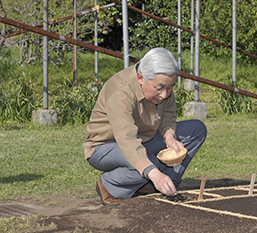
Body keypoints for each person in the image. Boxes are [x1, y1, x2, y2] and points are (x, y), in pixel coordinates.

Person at [83, 47, 207, 205]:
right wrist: (153, 172)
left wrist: (169, 137)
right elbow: (126, 139)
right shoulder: (120, 92)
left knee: (196, 130)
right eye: (160, 88)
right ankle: (110, 184)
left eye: (170, 87)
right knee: (150, 165)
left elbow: (168, 114)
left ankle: (159, 184)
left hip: (144, 139)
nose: (165, 94)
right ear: (141, 78)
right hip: (104, 146)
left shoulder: (162, 83)